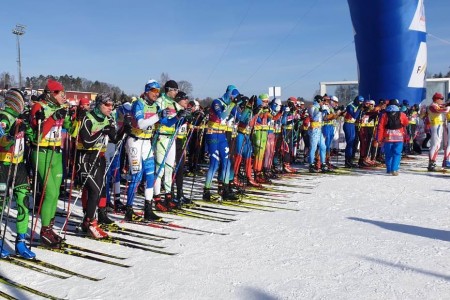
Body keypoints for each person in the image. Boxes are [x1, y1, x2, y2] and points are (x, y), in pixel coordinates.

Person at [30, 79, 73, 248]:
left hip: (56, 152)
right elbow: (37, 134)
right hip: (42, 151)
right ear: (51, 94)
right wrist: (52, 118)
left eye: (63, 92)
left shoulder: (60, 107)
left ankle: (50, 228)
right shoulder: (39, 107)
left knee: (56, 193)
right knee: (50, 192)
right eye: (59, 93)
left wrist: (73, 119)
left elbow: (71, 128)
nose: (63, 95)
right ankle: (44, 231)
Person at [76, 93, 118, 238]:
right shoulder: (88, 118)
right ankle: (90, 222)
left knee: (98, 190)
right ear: (99, 104)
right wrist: (102, 131)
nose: (110, 108)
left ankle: (87, 222)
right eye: (107, 105)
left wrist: (125, 129)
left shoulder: (109, 118)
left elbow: (115, 138)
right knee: (93, 190)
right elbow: (86, 141)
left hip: (100, 156)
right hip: (85, 157)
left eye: (111, 105)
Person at [0, 89, 36, 258]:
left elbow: (32, 138)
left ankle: (21, 241)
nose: (24, 104)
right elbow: (2, 141)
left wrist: (29, 126)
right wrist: (10, 136)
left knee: (23, 203)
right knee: (1, 205)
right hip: (3, 164)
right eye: (23, 100)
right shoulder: (4, 117)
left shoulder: (21, 118)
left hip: (18, 165)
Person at [125, 80, 165, 221]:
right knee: (136, 176)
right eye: (154, 91)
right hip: (135, 141)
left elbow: (165, 121)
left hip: (147, 142)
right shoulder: (138, 104)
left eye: (158, 91)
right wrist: (158, 116)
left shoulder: (154, 106)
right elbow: (141, 124)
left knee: (150, 176)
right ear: (147, 91)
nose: (156, 94)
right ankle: (129, 210)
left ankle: (148, 209)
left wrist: (179, 117)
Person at [154, 80, 188, 211]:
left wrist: (187, 116)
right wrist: (178, 117)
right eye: (175, 90)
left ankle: (168, 197)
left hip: (171, 138)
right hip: (161, 137)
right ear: (169, 89)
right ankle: (157, 199)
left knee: (169, 169)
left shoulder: (174, 103)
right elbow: (165, 122)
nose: (177, 92)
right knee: (160, 170)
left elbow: (180, 121)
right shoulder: (160, 101)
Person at [203, 85, 241, 201]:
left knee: (227, 162)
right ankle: (207, 191)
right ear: (229, 94)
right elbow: (221, 115)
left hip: (222, 135)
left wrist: (248, 107)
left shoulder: (230, 104)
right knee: (214, 163)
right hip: (212, 134)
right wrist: (233, 104)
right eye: (233, 96)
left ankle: (225, 190)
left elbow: (241, 118)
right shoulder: (217, 102)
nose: (233, 99)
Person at [376, 99, 409, 175]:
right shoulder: (402, 114)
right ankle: (394, 169)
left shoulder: (384, 115)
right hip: (399, 137)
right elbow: (406, 123)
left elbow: (380, 128)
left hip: (388, 136)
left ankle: (389, 169)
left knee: (388, 153)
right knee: (397, 153)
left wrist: (379, 138)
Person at [426, 92, 449, 171]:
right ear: (437, 99)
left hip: (438, 125)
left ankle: (432, 162)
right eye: (441, 99)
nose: (442, 100)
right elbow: (442, 110)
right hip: (436, 126)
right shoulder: (432, 105)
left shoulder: (435, 105)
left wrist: (447, 104)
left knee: (437, 145)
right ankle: (431, 163)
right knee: (435, 145)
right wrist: (448, 107)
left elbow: (442, 106)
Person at [308, 95, 328, 172]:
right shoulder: (312, 107)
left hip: (319, 129)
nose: (323, 102)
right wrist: (320, 111)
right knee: (313, 147)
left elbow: (322, 118)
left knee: (323, 146)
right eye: (322, 101)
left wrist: (325, 113)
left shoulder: (319, 107)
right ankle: (311, 164)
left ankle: (323, 163)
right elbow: (314, 118)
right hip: (314, 129)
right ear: (318, 101)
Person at [343, 96, 363, 168]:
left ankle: (350, 159)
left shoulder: (357, 106)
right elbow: (354, 115)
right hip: (348, 124)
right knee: (350, 143)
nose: (360, 103)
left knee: (353, 143)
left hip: (352, 124)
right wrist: (359, 109)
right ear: (357, 101)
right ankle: (347, 160)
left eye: (362, 102)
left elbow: (357, 116)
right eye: (360, 101)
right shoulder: (350, 106)